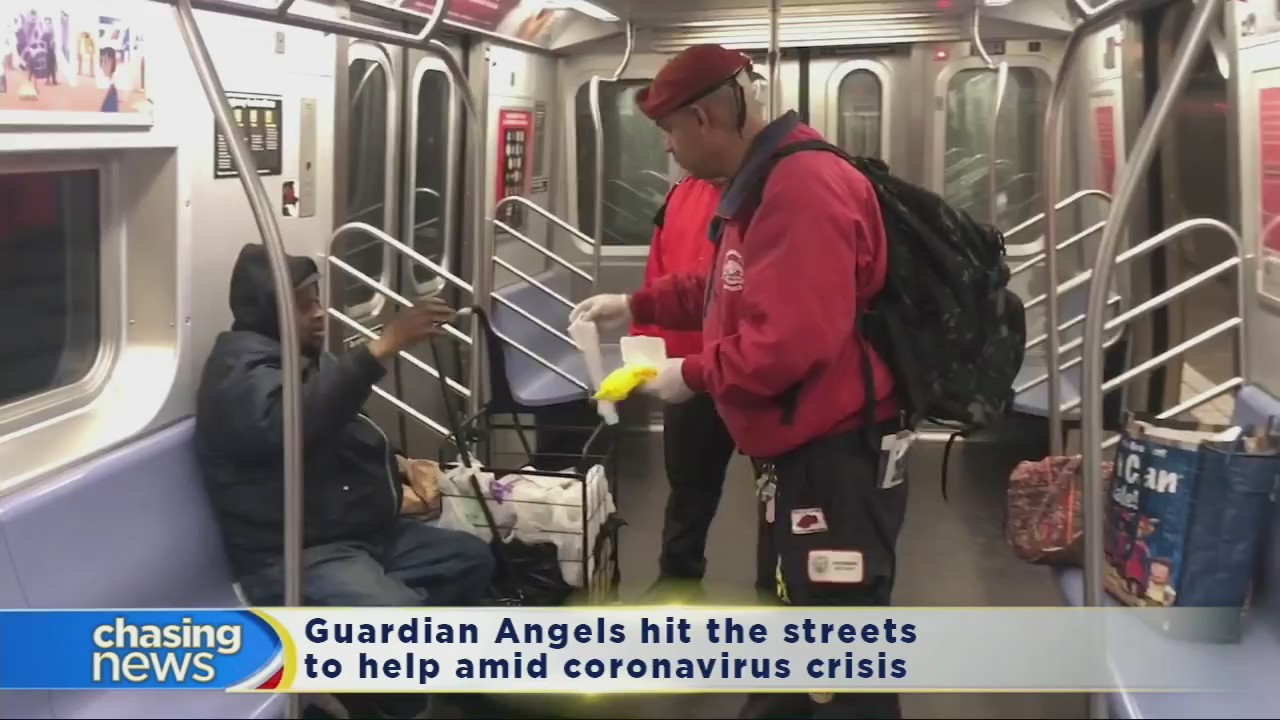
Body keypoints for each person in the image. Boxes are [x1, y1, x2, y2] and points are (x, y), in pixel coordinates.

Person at [570, 45, 908, 720]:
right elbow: (727, 281)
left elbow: (788, 344)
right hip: (805, 450)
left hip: (835, 458)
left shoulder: (800, 188)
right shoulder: (763, 182)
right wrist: (636, 304)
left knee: (837, 650)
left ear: (703, 119)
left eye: (669, 132)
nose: (669, 150)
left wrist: (690, 373)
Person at [631, 174, 736, 598]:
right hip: (686, 370)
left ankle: (778, 588)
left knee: (779, 496)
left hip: (755, 369)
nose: (669, 146)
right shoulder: (680, 195)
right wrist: (644, 341)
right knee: (688, 487)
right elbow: (658, 271)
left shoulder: (774, 190)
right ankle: (677, 581)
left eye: (676, 138)